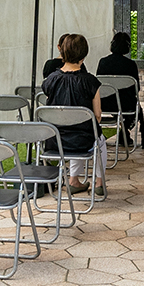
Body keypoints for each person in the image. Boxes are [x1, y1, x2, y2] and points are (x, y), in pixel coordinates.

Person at [42, 33, 107, 197]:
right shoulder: (91, 81)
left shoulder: (51, 79)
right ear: (84, 54)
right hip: (81, 141)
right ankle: (99, 183)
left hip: (54, 140)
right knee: (97, 138)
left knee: (78, 130)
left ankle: (74, 180)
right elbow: (97, 116)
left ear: (62, 52)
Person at [96, 31, 144, 149]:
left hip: (105, 103)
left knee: (120, 105)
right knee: (133, 108)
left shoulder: (103, 62)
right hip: (125, 103)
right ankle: (125, 132)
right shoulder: (130, 65)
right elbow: (136, 88)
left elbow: (98, 85)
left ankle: (120, 133)